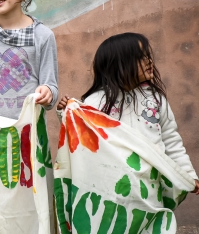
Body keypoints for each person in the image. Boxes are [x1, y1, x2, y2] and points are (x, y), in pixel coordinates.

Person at [57, 32, 199, 193]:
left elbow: (171, 140)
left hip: (152, 189)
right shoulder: (94, 103)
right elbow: (81, 140)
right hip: (114, 191)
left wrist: (188, 174)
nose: (149, 61)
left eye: (148, 56)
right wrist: (66, 113)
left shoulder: (156, 100)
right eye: (141, 57)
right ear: (119, 64)